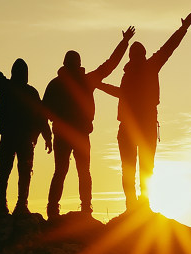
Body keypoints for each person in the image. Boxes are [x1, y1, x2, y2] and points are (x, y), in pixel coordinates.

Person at [98, 13, 191, 212]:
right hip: (139, 126)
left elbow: (169, 48)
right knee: (142, 168)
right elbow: (168, 48)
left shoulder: (143, 69)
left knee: (135, 169)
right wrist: (183, 28)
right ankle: (138, 205)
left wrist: (100, 86)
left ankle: (136, 206)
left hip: (133, 127)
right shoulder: (148, 67)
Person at [43, 26, 136, 219]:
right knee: (77, 172)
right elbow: (110, 65)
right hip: (73, 133)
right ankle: (81, 209)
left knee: (67, 172)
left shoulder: (57, 83)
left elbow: (44, 112)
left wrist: (125, 42)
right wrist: (124, 41)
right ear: (77, 64)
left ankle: (60, 210)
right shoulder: (81, 81)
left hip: (66, 133)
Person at [0, 31, 52, 216]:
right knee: (14, 172)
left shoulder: (10, 88)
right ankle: (9, 205)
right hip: (16, 138)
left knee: (13, 173)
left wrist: (48, 137)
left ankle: (15, 205)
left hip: (18, 138)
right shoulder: (23, 90)